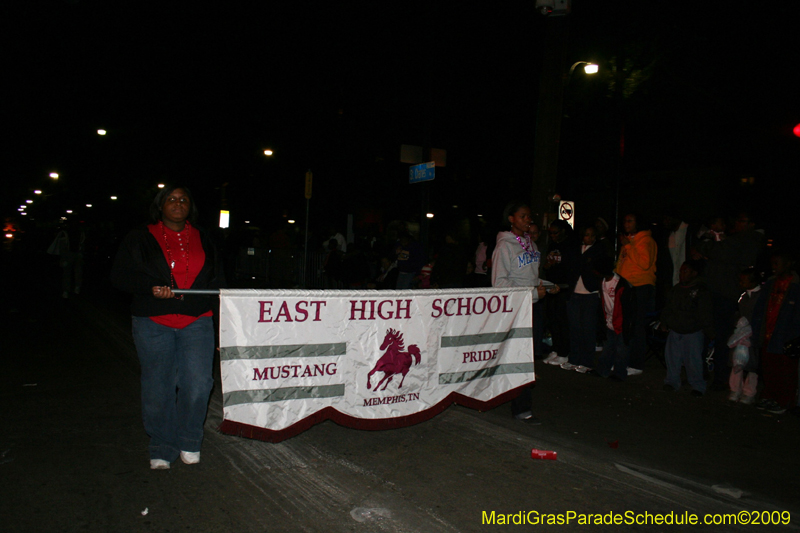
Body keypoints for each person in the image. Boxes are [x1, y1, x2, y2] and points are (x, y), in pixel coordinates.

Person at [110, 186, 225, 470]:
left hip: (197, 321)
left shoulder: (205, 238)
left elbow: (218, 284)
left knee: (198, 384)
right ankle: (162, 444)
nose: (178, 203)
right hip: (153, 322)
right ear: (160, 206)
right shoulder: (140, 237)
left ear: (191, 207)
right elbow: (119, 276)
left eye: (183, 199)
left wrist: (224, 325)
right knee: (158, 386)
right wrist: (150, 289)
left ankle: (189, 439)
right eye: (171, 199)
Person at [492, 202, 558, 423]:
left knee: (526, 356)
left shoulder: (532, 245)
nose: (528, 220)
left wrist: (547, 285)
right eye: (522, 216)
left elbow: (530, 278)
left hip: (532, 306)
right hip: (516, 309)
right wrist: (533, 293)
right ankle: (521, 408)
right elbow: (499, 284)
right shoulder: (504, 246)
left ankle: (510, 399)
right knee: (520, 357)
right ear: (511, 219)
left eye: (529, 216)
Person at [693, 212, 764, 390]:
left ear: (752, 223)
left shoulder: (750, 240)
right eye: (737, 220)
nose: (738, 224)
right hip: (714, 291)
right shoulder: (733, 239)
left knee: (723, 336)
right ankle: (700, 372)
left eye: (742, 220)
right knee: (706, 331)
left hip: (727, 294)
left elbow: (721, 252)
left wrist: (709, 248)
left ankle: (722, 377)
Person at [750, 250, 800, 414]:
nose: (773, 267)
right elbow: (759, 309)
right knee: (768, 368)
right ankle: (769, 397)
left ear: (788, 264)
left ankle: (784, 401)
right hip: (768, 333)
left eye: (777, 263)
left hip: (785, 336)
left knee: (785, 370)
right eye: (772, 263)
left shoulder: (795, 285)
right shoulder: (771, 282)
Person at [660, 260, 714, 396]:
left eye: (685, 271)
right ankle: (672, 382)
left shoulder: (700, 290)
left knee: (693, 361)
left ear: (694, 273)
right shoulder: (677, 289)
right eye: (681, 271)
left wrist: (708, 330)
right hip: (675, 330)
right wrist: (665, 322)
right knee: (672, 359)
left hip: (692, 332)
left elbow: (705, 313)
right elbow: (668, 307)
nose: (681, 274)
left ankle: (698, 386)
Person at [615, 213, 657, 376]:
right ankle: (623, 361)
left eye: (630, 221)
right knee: (625, 325)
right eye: (625, 221)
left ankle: (636, 364)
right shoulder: (629, 241)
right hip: (627, 286)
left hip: (640, 287)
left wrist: (628, 246)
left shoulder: (645, 240)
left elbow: (645, 263)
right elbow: (622, 264)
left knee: (637, 326)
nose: (626, 224)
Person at [563, 226, 605, 373]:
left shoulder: (598, 250)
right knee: (574, 328)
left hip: (590, 294)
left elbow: (598, 269)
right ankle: (574, 359)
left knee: (588, 329)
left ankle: (587, 362)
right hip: (574, 292)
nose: (590, 238)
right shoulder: (575, 249)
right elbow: (570, 267)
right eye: (587, 235)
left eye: (593, 235)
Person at [592, 256, 637, 381]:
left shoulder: (621, 284)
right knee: (608, 348)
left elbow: (629, 308)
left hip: (621, 322)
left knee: (621, 350)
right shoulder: (602, 282)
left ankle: (619, 373)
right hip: (609, 321)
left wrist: (627, 325)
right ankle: (603, 370)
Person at [541, 219, 578, 366]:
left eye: (555, 233)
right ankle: (556, 349)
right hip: (551, 286)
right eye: (550, 233)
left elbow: (572, 268)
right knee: (553, 319)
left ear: (563, 231)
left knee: (563, 320)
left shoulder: (570, 245)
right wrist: (548, 265)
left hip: (564, 287)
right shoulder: (552, 245)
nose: (553, 236)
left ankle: (564, 352)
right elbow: (547, 266)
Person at [728, 268, 763, 404]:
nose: (741, 282)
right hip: (740, 335)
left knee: (752, 365)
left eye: (744, 280)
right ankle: (735, 389)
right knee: (737, 362)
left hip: (753, 336)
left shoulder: (760, 296)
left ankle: (749, 391)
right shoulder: (743, 296)